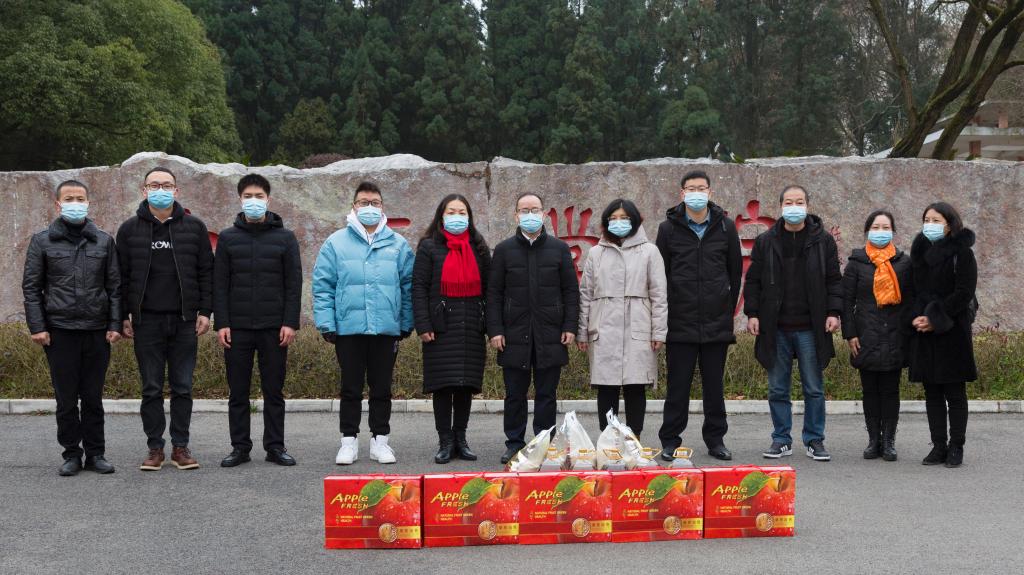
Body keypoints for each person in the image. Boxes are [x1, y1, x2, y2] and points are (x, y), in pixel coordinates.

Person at [22, 180, 122, 476]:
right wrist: (38, 326)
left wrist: (115, 323)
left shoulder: (104, 241)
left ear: (88, 203)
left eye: (80, 198)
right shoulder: (42, 241)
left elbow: (115, 286)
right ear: (58, 204)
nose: (75, 203)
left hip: (96, 330)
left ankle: (96, 454)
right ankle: (71, 454)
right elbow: (32, 288)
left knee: (93, 397)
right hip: (60, 330)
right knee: (66, 400)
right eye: (69, 199)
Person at [117, 167, 213, 471]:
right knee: (151, 388)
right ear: (144, 190)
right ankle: (155, 448)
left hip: (184, 321)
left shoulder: (194, 228)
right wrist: (122, 316)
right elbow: (120, 277)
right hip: (146, 322)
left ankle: (180, 447)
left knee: (183, 387)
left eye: (167, 185)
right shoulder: (129, 230)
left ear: (176, 190)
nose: (161, 189)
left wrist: (205, 312)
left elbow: (206, 273)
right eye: (154, 185)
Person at [313, 181, 414, 465]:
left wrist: (406, 322)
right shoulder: (336, 243)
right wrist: (327, 323)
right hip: (349, 328)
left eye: (375, 203)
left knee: (382, 388)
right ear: (354, 207)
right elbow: (323, 286)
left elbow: (408, 286)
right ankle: (349, 442)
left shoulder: (398, 244)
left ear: (382, 207)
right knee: (350, 388)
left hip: (386, 328)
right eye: (363, 203)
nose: (369, 207)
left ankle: (381, 442)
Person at [744, 185, 842, 462]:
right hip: (776, 327)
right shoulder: (766, 241)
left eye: (799, 202)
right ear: (780, 206)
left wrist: (833, 312)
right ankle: (781, 439)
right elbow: (753, 281)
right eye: (789, 202)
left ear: (807, 206)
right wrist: (753, 314)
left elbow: (834, 280)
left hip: (811, 326)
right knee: (777, 389)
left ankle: (814, 439)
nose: (794, 207)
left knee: (814, 388)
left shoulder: (823, 241)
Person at [214, 174, 302, 468]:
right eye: (248, 196)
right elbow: (220, 284)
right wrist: (222, 323)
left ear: (268, 199)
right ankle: (240, 447)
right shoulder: (228, 238)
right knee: (238, 392)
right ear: (240, 200)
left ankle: (275, 447)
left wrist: (290, 322)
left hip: (274, 328)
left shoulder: (285, 238)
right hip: (237, 328)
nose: (254, 201)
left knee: (273, 391)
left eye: (259, 196)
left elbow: (294, 284)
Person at [654, 171, 742, 462]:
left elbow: (734, 273)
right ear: (682, 194)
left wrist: (725, 307)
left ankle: (716, 440)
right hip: (680, 321)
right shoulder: (668, 229)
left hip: (716, 322)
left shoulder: (726, 227)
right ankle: (670, 440)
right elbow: (661, 275)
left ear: (710, 192)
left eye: (701, 188)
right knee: (677, 387)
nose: (696, 193)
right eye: (690, 188)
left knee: (714, 387)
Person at [488, 193, 580, 464]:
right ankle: (514, 443)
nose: (530, 215)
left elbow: (570, 291)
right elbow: (493, 293)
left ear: (543, 214)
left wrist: (570, 325)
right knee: (514, 394)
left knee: (546, 394)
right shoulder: (504, 250)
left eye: (535, 209)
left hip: (550, 332)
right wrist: (495, 330)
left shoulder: (559, 249)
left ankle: (544, 443)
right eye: (524, 210)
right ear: (516, 215)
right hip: (513, 333)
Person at [577, 199, 667, 438]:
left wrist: (658, 331)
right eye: (613, 218)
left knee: (635, 387)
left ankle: (634, 438)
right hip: (604, 326)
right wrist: (582, 331)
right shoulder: (596, 253)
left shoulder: (650, 251)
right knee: (606, 387)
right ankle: (608, 439)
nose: (619, 223)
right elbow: (586, 294)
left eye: (624, 218)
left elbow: (659, 295)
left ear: (635, 220)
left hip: (638, 325)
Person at [412, 194, 491, 464]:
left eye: (462, 212)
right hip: (440, 328)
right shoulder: (429, 247)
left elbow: (490, 290)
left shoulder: (479, 248)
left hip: (471, 327)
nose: (457, 217)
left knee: (466, 386)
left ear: (469, 217)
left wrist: (490, 326)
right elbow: (419, 288)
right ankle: (445, 441)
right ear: (441, 216)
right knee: (443, 387)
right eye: (451, 212)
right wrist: (423, 324)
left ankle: (461, 439)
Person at [906, 202, 977, 468]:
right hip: (924, 332)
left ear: (949, 224)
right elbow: (912, 290)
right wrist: (916, 316)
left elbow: (964, 292)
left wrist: (935, 319)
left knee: (954, 393)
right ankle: (938, 445)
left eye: (936, 220)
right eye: (926, 219)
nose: (930, 224)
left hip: (952, 331)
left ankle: (956, 446)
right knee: (932, 393)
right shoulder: (919, 252)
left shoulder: (963, 253)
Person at [841, 210, 912, 461]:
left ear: (893, 232)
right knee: (869, 390)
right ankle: (874, 440)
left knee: (891, 391)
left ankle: (889, 441)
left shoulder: (904, 263)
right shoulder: (856, 263)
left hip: (895, 335)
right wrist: (850, 334)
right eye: (876, 227)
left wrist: (908, 332)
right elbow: (846, 302)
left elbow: (911, 300)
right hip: (865, 335)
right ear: (867, 231)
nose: (880, 232)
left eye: (885, 227)